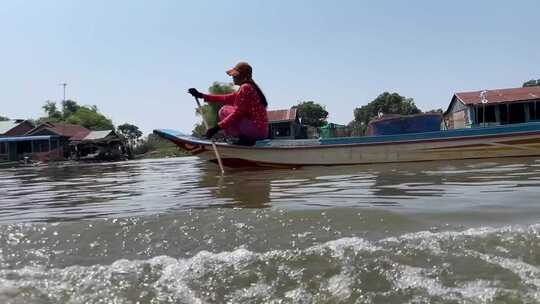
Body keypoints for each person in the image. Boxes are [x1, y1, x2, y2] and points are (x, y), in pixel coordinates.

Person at [188, 62, 269, 146]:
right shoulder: (250, 87)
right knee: (226, 109)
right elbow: (225, 98)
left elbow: (237, 113)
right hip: (260, 131)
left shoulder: (246, 87)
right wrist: (201, 95)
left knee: (224, 110)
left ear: (241, 76)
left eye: (234, 75)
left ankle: (237, 139)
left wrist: (216, 128)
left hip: (255, 130)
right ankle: (243, 140)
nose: (232, 77)